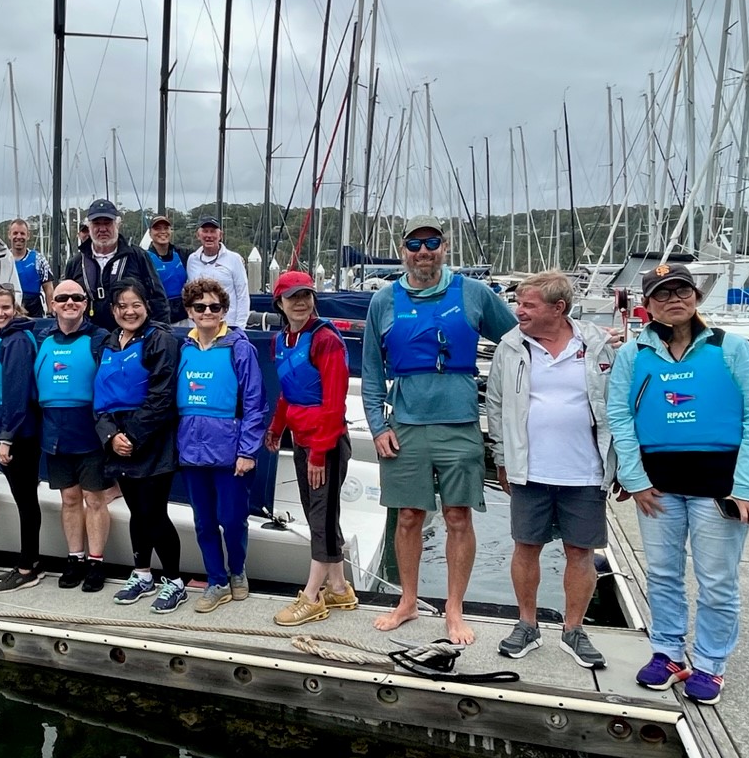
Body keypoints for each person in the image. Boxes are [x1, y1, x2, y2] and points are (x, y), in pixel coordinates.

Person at [607, 261, 749, 705]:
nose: (674, 300)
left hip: (719, 485)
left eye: (682, 291)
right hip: (658, 485)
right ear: (648, 306)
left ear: (696, 297)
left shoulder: (731, 347)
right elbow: (620, 417)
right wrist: (635, 479)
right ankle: (667, 652)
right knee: (662, 573)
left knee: (716, 579)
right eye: (662, 294)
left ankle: (711, 664)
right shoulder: (633, 354)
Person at [361, 215, 517, 645]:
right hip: (406, 426)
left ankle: (453, 608)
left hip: (461, 422)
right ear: (403, 250)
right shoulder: (385, 300)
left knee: (457, 517)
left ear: (444, 247)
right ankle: (407, 601)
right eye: (415, 244)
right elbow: (372, 372)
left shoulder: (473, 293)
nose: (423, 251)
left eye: (431, 243)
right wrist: (377, 426)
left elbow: (521, 339)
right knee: (408, 516)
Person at [485, 271, 618, 668]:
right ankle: (526, 624)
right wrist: (502, 458)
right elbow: (496, 405)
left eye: (528, 305)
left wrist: (624, 465)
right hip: (530, 468)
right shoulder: (510, 347)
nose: (518, 311)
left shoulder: (597, 345)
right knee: (526, 547)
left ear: (558, 308)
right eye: (519, 303)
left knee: (581, 551)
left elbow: (619, 403)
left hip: (586, 470)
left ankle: (573, 630)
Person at [264, 271, 355, 626]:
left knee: (320, 518)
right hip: (302, 439)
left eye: (306, 295)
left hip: (325, 443)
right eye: (292, 297)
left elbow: (335, 404)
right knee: (321, 514)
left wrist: (320, 452)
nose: (300, 302)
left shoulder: (325, 340)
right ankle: (339, 587)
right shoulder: (282, 340)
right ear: (280, 303)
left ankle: (312, 596)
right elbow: (290, 392)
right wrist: (276, 427)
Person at [93, 278, 186, 613]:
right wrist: (110, 436)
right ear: (113, 309)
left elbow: (161, 397)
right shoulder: (107, 343)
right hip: (117, 439)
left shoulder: (160, 340)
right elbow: (99, 399)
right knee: (136, 512)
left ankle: (174, 581)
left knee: (153, 512)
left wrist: (131, 436)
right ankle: (142, 573)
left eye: (136, 304)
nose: (129, 311)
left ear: (146, 306)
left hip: (151, 440)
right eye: (122, 306)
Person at [175, 278, 268, 613]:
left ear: (224, 311)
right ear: (190, 312)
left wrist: (247, 451)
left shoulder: (240, 347)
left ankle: (237, 570)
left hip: (229, 452)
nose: (208, 312)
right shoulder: (183, 348)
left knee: (232, 519)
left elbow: (255, 403)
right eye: (200, 307)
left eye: (215, 307)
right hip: (192, 452)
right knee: (203, 522)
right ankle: (216, 580)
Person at [35, 278, 114, 592]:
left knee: (94, 499)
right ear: (53, 304)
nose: (69, 303)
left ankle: (96, 560)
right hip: (54, 430)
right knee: (69, 499)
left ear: (86, 304)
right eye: (63, 297)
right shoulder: (41, 338)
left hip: (90, 430)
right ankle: (74, 558)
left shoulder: (100, 339)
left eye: (77, 298)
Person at [0, 284, 45, 591]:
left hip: (19, 433)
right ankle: (27, 559)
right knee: (22, 497)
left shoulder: (16, 341)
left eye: (6, 307)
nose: (0, 313)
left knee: (26, 499)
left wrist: (6, 439)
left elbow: (16, 393)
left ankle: (29, 566)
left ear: (15, 308)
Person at [64, 199, 169, 331]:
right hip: (88, 335)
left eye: (107, 223)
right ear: (89, 227)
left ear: (117, 224)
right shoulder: (76, 263)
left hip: (131, 335)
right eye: (97, 223)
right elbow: (64, 301)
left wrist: (160, 334)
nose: (102, 229)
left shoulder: (138, 256)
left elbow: (158, 299)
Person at [186, 216, 249, 328]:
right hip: (199, 326)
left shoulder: (234, 259)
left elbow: (242, 294)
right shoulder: (192, 260)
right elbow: (190, 295)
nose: (209, 236)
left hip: (228, 325)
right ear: (198, 235)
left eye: (213, 231)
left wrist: (240, 327)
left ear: (220, 235)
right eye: (205, 231)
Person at [145, 215, 190, 324]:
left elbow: (205, 254)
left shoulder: (183, 254)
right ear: (150, 233)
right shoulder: (144, 258)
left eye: (166, 228)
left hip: (183, 316)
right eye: (157, 229)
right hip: (158, 318)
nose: (162, 232)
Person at [9, 219, 55, 318]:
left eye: (22, 233)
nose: (19, 237)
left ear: (28, 235)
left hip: (34, 309)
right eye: (15, 233)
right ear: (9, 235)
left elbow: (48, 288)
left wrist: (51, 312)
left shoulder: (39, 259)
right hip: (12, 308)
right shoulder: (4, 259)